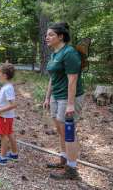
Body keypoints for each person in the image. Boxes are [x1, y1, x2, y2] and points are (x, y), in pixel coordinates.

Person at [43, 22, 84, 180]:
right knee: (60, 130)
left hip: (68, 98)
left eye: (51, 35)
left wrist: (70, 104)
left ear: (61, 37)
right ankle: (64, 160)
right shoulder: (55, 53)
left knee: (69, 132)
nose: (47, 37)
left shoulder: (69, 53)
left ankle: (72, 170)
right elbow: (53, 77)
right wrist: (47, 97)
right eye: (46, 35)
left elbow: (72, 80)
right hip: (56, 97)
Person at [0, 63, 18, 165]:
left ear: (4, 75)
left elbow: (14, 104)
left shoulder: (8, 88)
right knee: (10, 134)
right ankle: (14, 154)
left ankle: (2, 158)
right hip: (7, 117)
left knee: (3, 136)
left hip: (4, 117)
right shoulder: (6, 86)